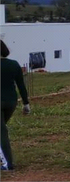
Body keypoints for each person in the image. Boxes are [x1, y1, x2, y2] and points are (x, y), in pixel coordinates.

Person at [1, 40, 30, 171]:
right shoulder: (14, 65)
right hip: (11, 102)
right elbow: (21, 86)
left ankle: (7, 164)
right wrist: (26, 103)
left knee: (1, 133)